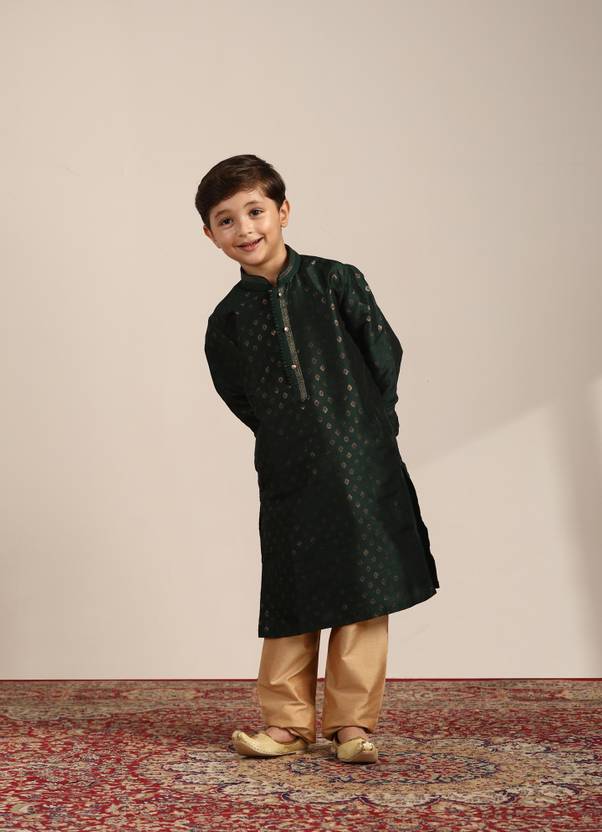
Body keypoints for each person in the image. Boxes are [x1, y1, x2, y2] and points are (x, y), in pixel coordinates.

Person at [195, 154, 440, 764]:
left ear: (283, 211)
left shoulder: (336, 282)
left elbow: (383, 356)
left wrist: (367, 427)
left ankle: (352, 725)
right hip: (289, 470)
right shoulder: (227, 320)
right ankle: (286, 725)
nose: (245, 229)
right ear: (209, 234)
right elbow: (239, 395)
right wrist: (290, 433)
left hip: (362, 461)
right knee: (292, 587)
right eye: (226, 220)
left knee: (365, 585)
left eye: (255, 211)